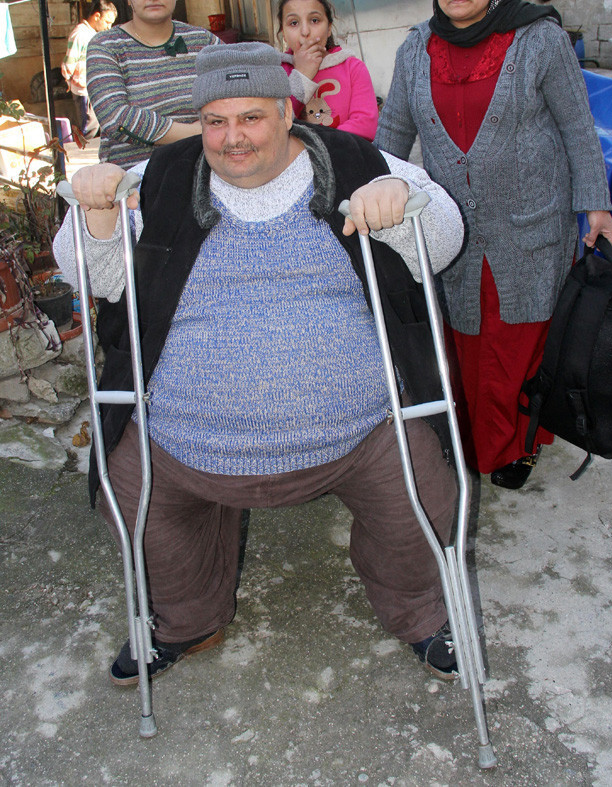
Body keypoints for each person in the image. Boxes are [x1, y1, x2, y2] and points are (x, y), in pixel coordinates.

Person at [53, 42, 467, 686]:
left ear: (286, 110)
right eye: (215, 120)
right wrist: (96, 212)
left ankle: (417, 612)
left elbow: (440, 244)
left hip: (361, 433)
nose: (232, 138)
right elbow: (97, 280)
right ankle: (188, 620)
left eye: (251, 117)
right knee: (127, 489)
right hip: (184, 441)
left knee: (426, 494)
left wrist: (399, 201)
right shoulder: (162, 178)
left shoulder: (357, 163)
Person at [375, 0, 612, 491]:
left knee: (518, 343)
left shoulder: (538, 40)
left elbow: (578, 127)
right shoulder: (416, 49)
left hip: (530, 223)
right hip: (453, 230)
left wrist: (595, 206)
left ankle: (519, 442)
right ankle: (470, 441)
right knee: (463, 343)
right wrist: (373, 189)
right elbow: (393, 135)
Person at [85, 0, 220, 169]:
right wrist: (199, 132)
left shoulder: (202, 41)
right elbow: (116, 118)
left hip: (205, 175)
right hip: (136, 186)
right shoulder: (106, 46)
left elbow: (238, 88)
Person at [278, 0, 379, 140]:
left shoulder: (352, 68)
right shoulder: (276, 71)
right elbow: (275, 126)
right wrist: (302, 75)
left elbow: (365, 126)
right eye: (293, 23)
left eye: (314, 20)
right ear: (283, 34)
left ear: (329, 28)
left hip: (344, 160)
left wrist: (314, 147)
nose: (305, 31)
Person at [61, 0, 117, 139]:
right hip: (84, 90)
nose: (109, 27)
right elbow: (68, 64)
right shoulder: (80, 35)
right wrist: (70, 81)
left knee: (97, 125)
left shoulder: (92, 34)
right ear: (97, 16)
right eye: (107, 22)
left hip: (94, 89)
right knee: (89, 128)